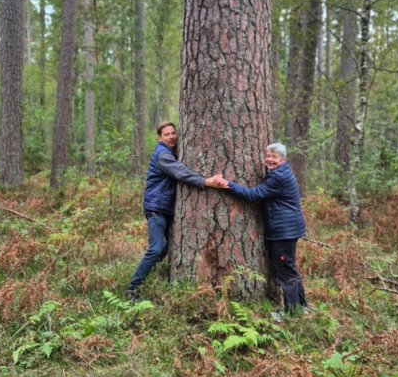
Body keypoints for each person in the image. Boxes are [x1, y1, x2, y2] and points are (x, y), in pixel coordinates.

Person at [126, 122, 227, 301]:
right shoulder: (163, 155)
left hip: (166, 209)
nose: (172, 136)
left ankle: (155, 274)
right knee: (156, 248)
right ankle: (133, 289)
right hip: (156, 209)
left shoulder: (172, 152)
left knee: (172, 243)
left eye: (174, 133)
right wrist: (207, 182)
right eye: (167, 134)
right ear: (160, 138)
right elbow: (181, 173)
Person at [221, 142, 308, 319]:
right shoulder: (279, 172)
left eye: (274, 157)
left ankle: (291, 312)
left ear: (283, 159)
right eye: (268, 156)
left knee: (285, 270)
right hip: (287, 228)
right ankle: (301, 307)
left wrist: (227, 184)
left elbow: (252, 195)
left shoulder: (278, 177)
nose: (269, 159)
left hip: (284, 230)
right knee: (289, 268)